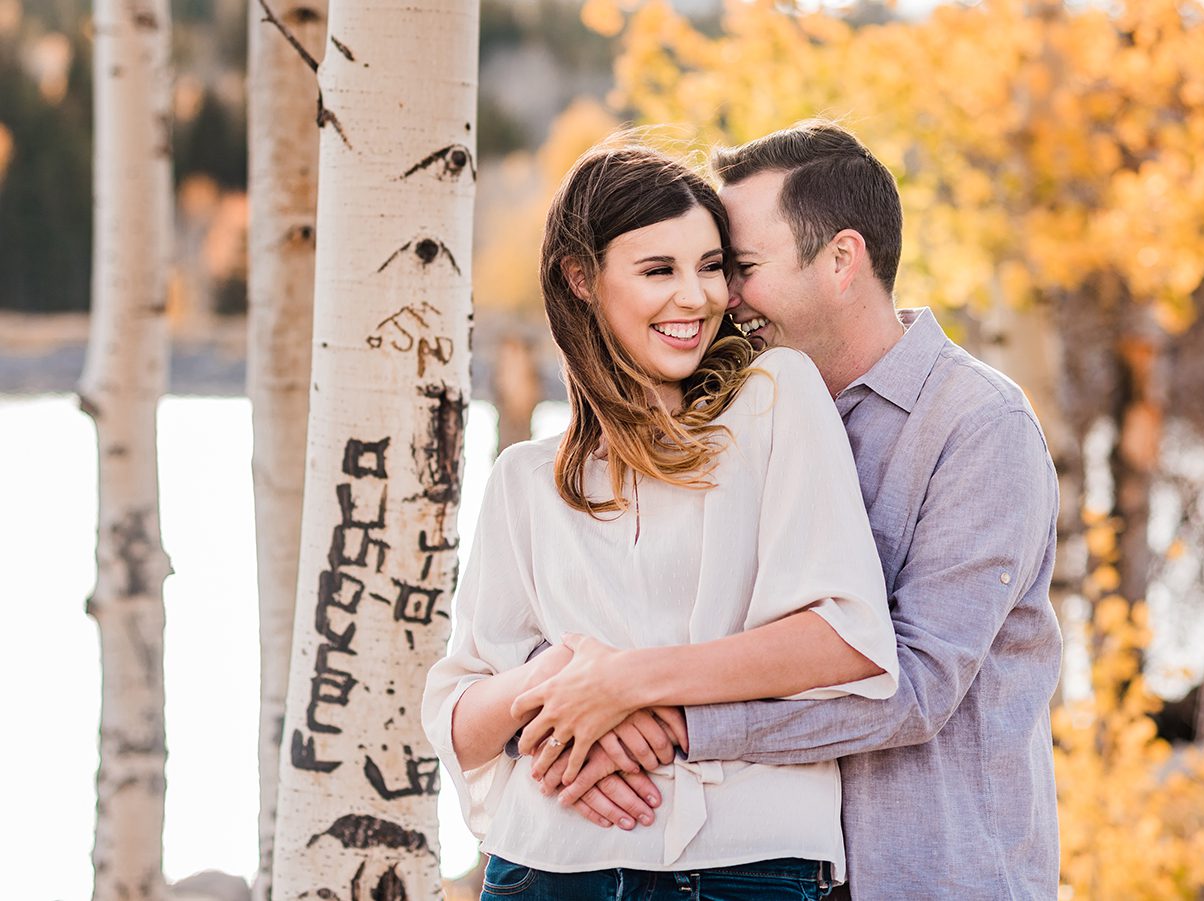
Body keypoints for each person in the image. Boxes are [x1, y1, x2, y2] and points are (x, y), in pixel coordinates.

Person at [532, 122, 1064, 900]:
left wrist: (663, 722)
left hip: (930, 878)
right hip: (771, 876)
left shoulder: (979, 426)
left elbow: (912, 688)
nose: (721, 295)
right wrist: (579, 720)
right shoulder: (730, 420)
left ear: (842, 259)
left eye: (738, 267)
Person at [421, 143, 901, 900]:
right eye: (658, 270)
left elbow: (846, 636)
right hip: (547, 865)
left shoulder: (776, 398)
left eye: (712, 266)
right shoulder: (525, 481)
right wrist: (554, 682)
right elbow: (455, 718)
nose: (699, 297)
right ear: (582, 279)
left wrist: (627, 688)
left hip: (745, 866)